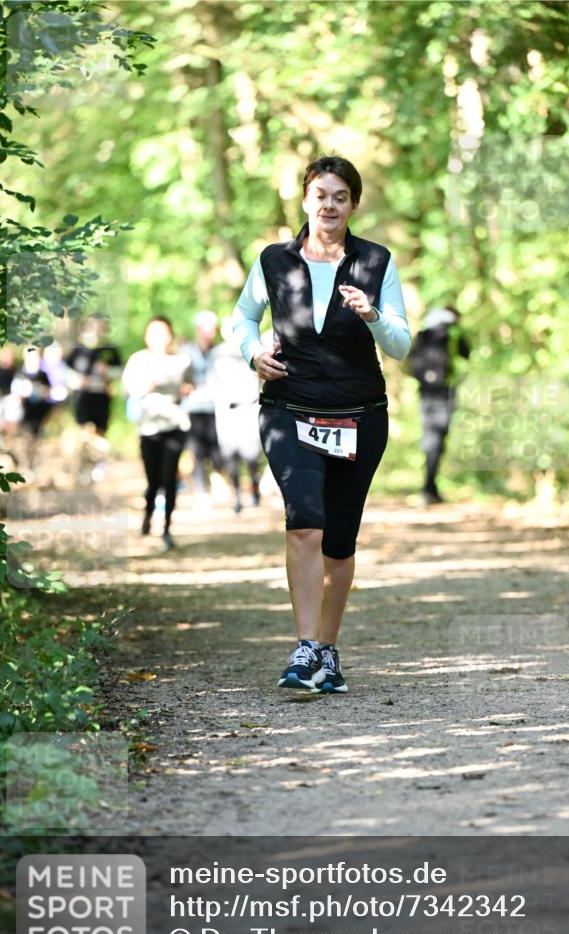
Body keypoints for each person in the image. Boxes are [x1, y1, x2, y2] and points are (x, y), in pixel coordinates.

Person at [233, 154, 411, 694]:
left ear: (353, 204)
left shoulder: (376, 262)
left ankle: (326, 653)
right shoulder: (273, 260)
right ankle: (305, 644)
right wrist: (250, 351)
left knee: (339, 540)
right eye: (320, 195)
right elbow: (242, 316)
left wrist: (374, 316)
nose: (329, 205)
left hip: (360, 415)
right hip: (288, 408)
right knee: (304, 521)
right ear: (306, 201)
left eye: (340, 196)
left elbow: (402, 345)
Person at [121, 317, 193, 548]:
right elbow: (129, 389)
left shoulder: (182, 360)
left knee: (169, 476)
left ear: (170, 335)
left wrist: (186, 390)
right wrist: (146, 386)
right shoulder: (138, 360)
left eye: (163, 332)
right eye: (154, 332)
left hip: (175, 425)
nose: (159, 337)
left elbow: (191, 385)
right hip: (149, 427)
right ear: (146, 336)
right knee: (153, 479)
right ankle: (148, 515)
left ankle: (167, 529)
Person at [408, 305, 470, 504]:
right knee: (438, 439)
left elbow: (411, 364)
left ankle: (429, 487)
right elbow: (466, 353)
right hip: (445, 392)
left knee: (430, 438)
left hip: (426, 392)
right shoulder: (454, 331)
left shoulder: (423, 333)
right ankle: (429, 487)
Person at [208, 318, 262, 513]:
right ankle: (237, 494)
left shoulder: (254, 349)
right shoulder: (217, 354)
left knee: (251, 455)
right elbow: (211, 382)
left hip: (249, 407)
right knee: (230, 455)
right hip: (227, 410)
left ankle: (254, 486)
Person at [181, 310, 224, 510]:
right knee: (197, 452)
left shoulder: (221, 352)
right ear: (197, 330)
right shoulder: (186, 351)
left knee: (216, 451)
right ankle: (201, 491)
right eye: (204, 328)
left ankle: (219, 482)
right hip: (194, 408)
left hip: (218, 408)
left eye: (211, 328)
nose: (208, 332)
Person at [65, 315, 122, 436]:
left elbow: (120, 371)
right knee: (84, 429)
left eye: (100, 327)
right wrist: (78, 381)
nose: (96, 330)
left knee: (100, 430)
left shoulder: (110, 349)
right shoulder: (78, 349)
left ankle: (96, 452)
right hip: (82, 397)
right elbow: (65, 371)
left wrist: (107, 371)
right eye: (93, 326)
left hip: (102, 397)